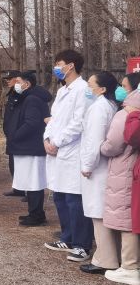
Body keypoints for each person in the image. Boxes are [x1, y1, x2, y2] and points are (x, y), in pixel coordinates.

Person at [43, 50, 94, 260]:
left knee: (75, 199)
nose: (56, 68)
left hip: (72, 151)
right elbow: (53, 118)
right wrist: (47, 139)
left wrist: (57, 142)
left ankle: (82, 244)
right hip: (56, 151)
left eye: (59, 64)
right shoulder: (63, 90)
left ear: (71, 65)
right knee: (60, 197)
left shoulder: (83, 90)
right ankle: (68, 237)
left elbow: (79, 123)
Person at [94, 77, 140, 284]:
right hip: (131, 167)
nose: (120, 89)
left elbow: (113, 144)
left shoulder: (128, 112)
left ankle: (129, 266)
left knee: (125, 216)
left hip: (124, 169)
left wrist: (101, 148)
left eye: (124, 85)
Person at [78, 72, 119, 267]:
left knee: (98, 212)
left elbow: (94, 139)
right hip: (102, 166)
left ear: (102, 89)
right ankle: (108, 256)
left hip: (97, 168)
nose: (88, 88)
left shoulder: (99, 108)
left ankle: (105, 259)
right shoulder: (107, 105)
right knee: (101, 211)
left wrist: (87, 165)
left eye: (90, 84)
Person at [4, 72, 51, 226]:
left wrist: (15, 135)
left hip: (30, 147)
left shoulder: (32, 99)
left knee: (34, 182)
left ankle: (36, 215)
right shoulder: (26, 97)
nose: (16, 84)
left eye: (18, 81)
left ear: (27, 84)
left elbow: (31, 123)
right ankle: (34, 212)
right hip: (26, 147)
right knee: (30, 182)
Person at [2, 70, 25, 198]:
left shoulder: (23, 94)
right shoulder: (11, 94)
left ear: (17, 79)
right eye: (7, 79)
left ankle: (28, 190)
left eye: (10, 79)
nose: (7, 81)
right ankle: (17, 188)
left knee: (22, 163)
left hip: (18, 133)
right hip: (11, 133)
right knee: (12, 162)